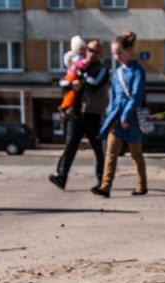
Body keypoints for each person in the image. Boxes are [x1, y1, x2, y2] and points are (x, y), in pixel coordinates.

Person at [91, 31, 147, 198]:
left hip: (132, 119)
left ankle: (141, 186)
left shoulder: (138, 71)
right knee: (111, 152)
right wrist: (110, 115)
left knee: (136, 154)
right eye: (115, 54)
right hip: (116, 117)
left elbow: (136, 96)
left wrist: (126, 116)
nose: (117, 57)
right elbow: (113, 98)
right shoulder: (116, 73)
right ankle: (105, 186)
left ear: (128, 50)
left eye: (120, 53)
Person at [49, 39, 109, 191]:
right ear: (85, 50)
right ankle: (61, 177)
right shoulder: (77, 66)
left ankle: (102, 182)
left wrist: (81, 74)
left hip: (93, 114)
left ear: (101, 54)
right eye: (90, 50)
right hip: (75, 115)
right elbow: (63, 82)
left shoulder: (102, 69)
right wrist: (71, 83)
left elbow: (95, 84)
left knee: (98, 150)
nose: (92, 54)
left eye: (96, 51)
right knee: (70, 146)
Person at [58, 35, 87, 115]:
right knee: (71, 94)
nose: (82, 51)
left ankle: (66, 106)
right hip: (72, 76)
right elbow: (79, 64)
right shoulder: (75, 57)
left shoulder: (78, 57)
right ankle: (66, 106)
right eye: (81, 49)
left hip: (73, 77)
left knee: (71, 94)